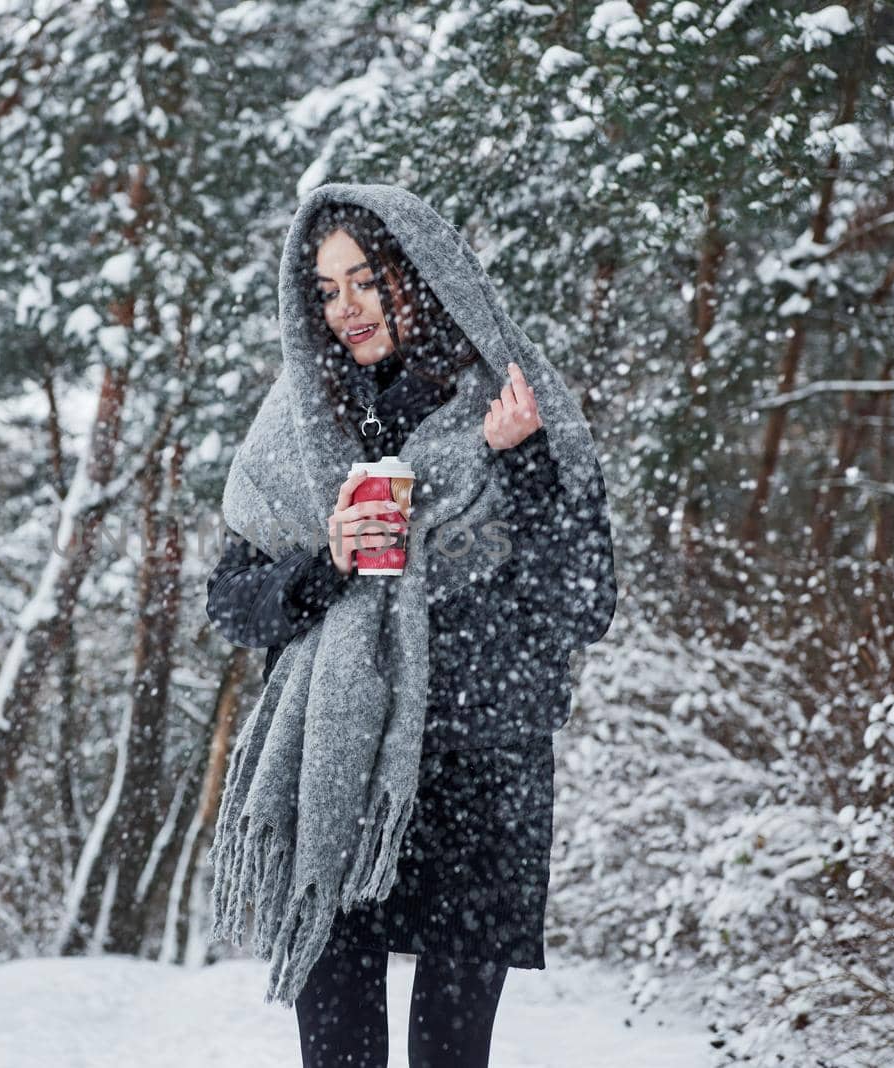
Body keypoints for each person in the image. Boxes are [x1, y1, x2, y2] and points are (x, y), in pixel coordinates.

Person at [205, 186, 616, 1068]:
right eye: (325, 290)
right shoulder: (296, 425)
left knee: (449, 1053)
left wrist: (528, 464)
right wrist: (327, 564)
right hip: (340, 765)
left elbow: (584, 602)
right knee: (339, 1051)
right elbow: (232, 601)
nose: (344, 308)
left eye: (364, 280)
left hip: (481, 765)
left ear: (421, 274)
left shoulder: (515, 401)